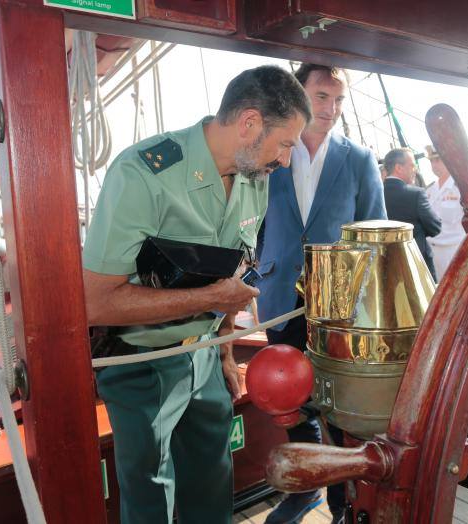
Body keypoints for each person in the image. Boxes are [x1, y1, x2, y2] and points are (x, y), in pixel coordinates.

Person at [82, 65, 311, 524]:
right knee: (150, 498)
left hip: (205, 358)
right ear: (249, 123)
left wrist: (225, 353)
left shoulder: (255, 176)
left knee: (212, 487)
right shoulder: (143, 173)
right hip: (139, 364)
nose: (285, 160)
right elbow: (96, 301)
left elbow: (232, 268)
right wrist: (213, 299)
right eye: (285, 143)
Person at [256, 63, 386, 524]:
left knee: (336, 403)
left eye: (338, 99)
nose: (331, 108)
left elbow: (375, 233)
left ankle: (341, 505)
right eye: (321, 96)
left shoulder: (359, 159)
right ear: (298, 94)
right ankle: (306, 490)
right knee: (288, 400)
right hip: (278, 297)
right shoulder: (272, 152)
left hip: (338, 304)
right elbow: (252, 224)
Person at [382, 147, 441, 277]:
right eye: (412, 165)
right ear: (399, 168)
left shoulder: (375, 195)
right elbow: (435, 227)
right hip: (417, 267)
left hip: (387, 268)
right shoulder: (416, 194)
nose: (415, 170)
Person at [424, 144, 465, 279]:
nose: (434, 164)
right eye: (431, 160)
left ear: (448, 159)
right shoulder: (429, 190)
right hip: (432, 252)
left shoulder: (461, 188)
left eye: (438, 160)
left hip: (453, 252)